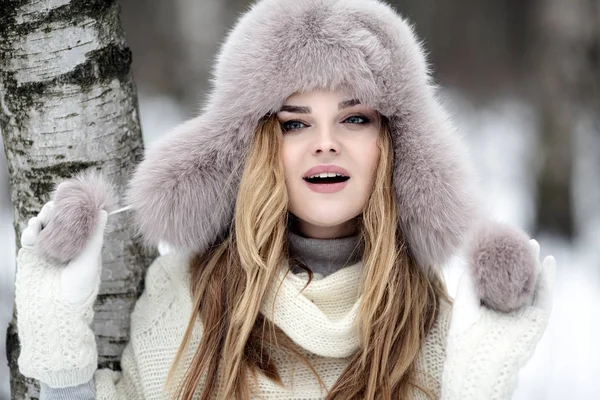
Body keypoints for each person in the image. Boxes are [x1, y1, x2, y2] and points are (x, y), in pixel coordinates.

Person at [14, 0, 556, 399]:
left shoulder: (436, 327)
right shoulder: (187, 297)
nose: (326, 142)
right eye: (295, 123)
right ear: (254, 147)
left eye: (355, 117)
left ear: (394, 145)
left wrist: (479, 388)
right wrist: (62, 357)